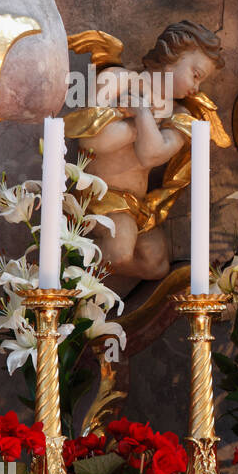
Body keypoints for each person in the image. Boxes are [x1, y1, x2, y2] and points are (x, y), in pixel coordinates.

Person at [67, 21, 224, 282]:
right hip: (99, 194)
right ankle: (70, 280)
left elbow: (151, 155)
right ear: (172, 57)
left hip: (135, 205)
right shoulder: (116, 79)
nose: (196, 88)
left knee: (156, 263)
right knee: (119, 251)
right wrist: (143, 124)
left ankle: (83, 268)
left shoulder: (181, 115)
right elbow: (91, 143)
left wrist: (141, 113)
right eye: (196, 75)